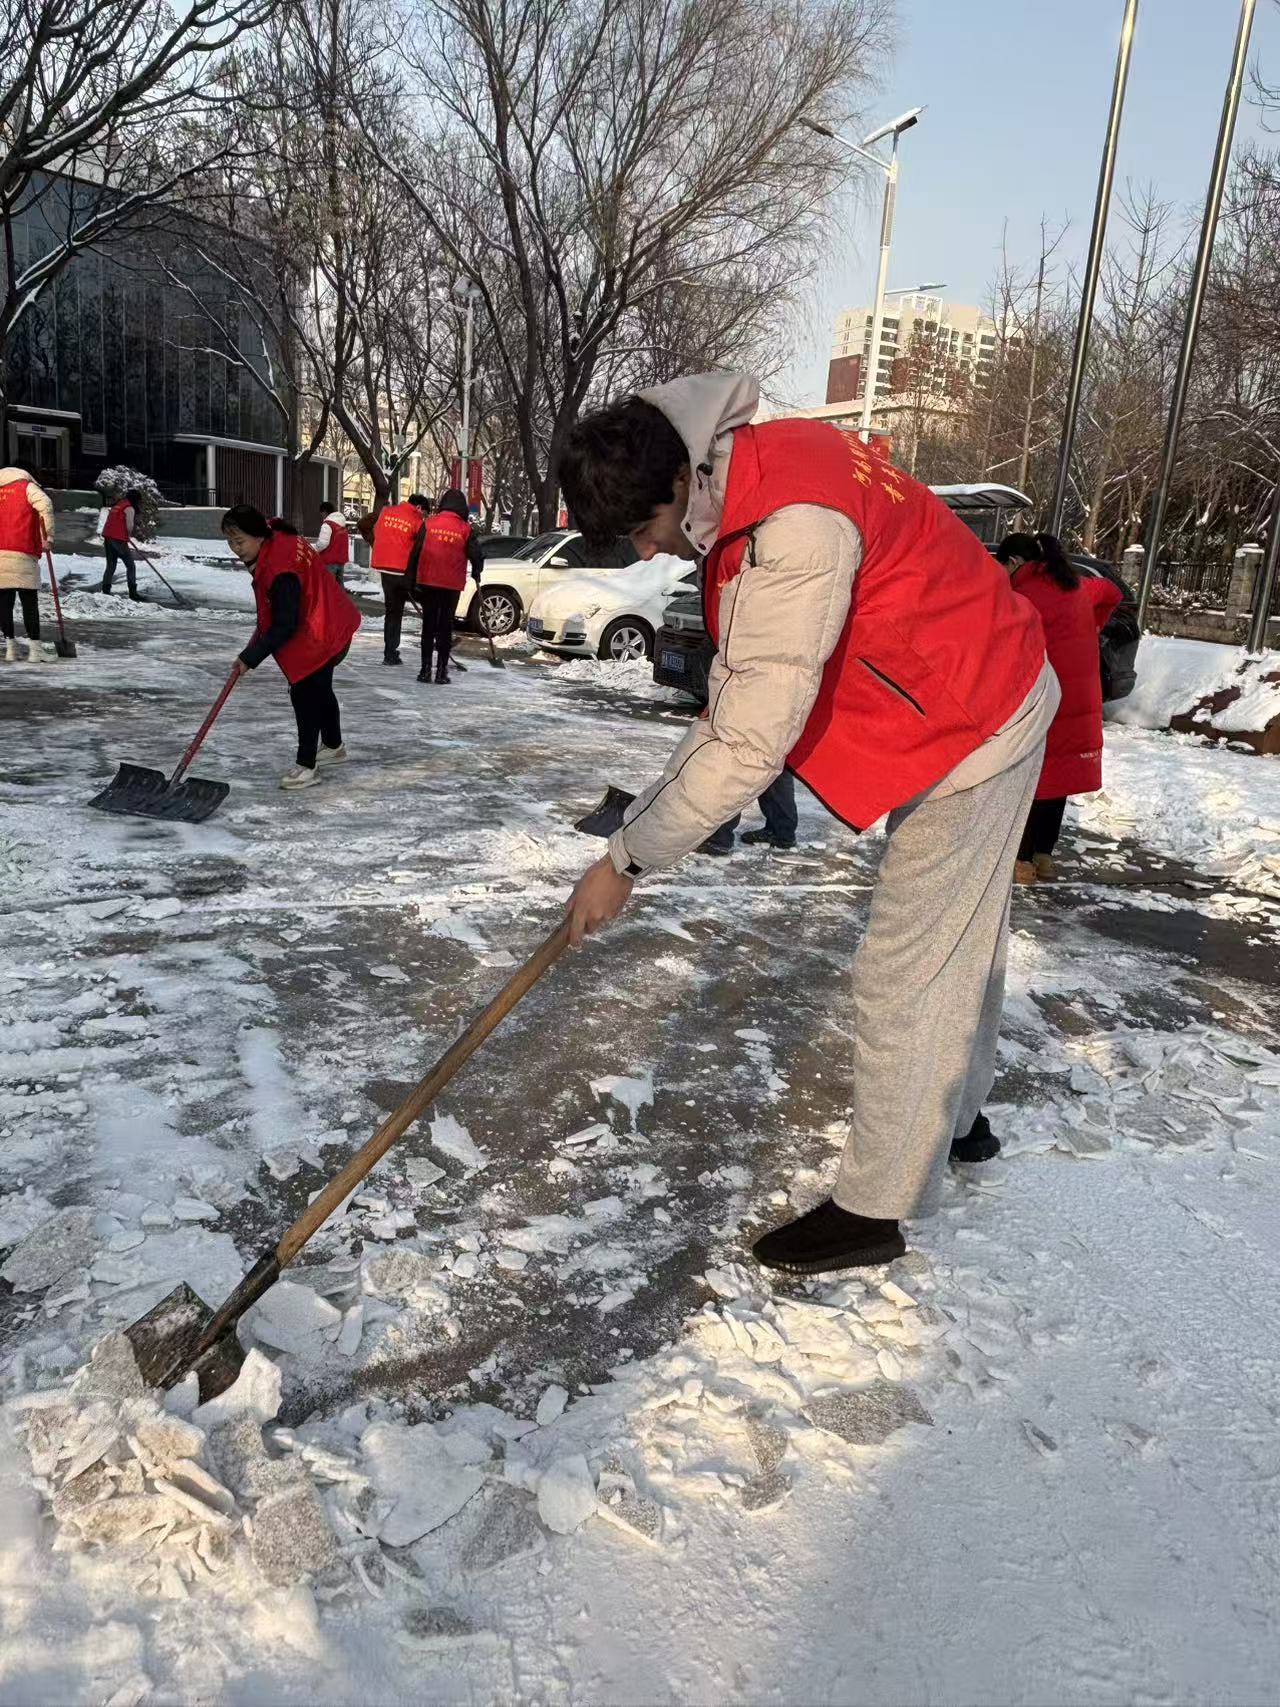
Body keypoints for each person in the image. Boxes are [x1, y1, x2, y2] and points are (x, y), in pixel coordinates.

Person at [559, 372, 1058, 1275]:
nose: (650, 549)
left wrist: (627, 859)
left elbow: (747, 745)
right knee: (964, 942)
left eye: (644, 527)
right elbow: (727, 709)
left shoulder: (789, 527)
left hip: (976, 716)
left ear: (678, 483)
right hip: (959, 693)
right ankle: (959, 1115)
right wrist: (635, 827)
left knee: (908, 967)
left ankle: (875, 1207)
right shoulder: (751, 468)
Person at [994, 532, 1122, 883]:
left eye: (1002, 566)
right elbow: (1112, 592)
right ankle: (1044, 857)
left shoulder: (1023, 594)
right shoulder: (1078, 585)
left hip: (1045, 694)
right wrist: (1092, 625)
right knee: (1059, 776)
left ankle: (1020, 862)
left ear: (1016, 563)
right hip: (1080, 696)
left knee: (1033, 778)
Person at [221, 505, 361, 790]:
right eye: (230, 542)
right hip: (331, 619)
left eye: (239, 541)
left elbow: (286, 623)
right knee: (320, 690)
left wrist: (250, 657)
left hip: (323, 632)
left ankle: (306, 765)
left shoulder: (279, 568)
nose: (235, 549)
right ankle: (333, 745)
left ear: (260, 536)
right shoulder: (276, 535)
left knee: (305, 693)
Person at [415, 488, 484, 684]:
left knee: (428, 626)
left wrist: (412, 579)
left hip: (428, 582)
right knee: (445, 627)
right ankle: (441, 672)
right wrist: (477, 571)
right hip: (451, 585)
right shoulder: (465, 529)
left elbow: (416, 552)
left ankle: (425, 670)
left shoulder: (428, 524)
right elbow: (476, 555)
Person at [0, 465, 55, 663]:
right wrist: (47, 538)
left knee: (4, 604)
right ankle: (35, 650)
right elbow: (45, 505)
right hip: (22, 550)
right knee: (29, 603)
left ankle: (10, 650)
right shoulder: (26, 487)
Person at [370, 493, 430, 664]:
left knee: (392, 611)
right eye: (424, 513)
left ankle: (390, 651)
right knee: (400, 611)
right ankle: (391, 653)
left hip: (384, 568)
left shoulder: (386, 512)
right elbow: (420, 549)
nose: (423, 516)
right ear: (419, 508)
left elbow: (377, 532)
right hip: (403, 571)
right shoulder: (416, 520)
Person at [99, 488, 145, 600]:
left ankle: (106, 591)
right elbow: (129, 525)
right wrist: (127, 536)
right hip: (118, 539)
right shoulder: (129, 508)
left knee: (111, 565)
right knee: (130, 566)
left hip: (108, 537)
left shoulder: (119, 505)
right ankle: (133, 593)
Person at [314, 503, 350, 586]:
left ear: (324, 512)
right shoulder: (342, 524)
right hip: (341, 560)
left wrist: (314, 548)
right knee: (339, 588)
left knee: (328, 587)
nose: (321, 516)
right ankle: (341, 599)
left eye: (321, 513)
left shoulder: (327, 524)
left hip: (329, 561)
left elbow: (322, 543)